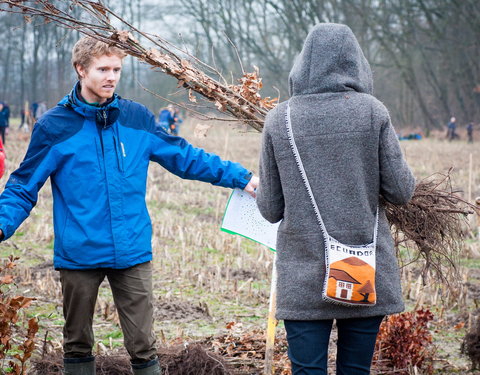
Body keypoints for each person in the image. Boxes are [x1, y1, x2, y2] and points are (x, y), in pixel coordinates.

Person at [0, 36, 258, 375]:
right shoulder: (54, 126)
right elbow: (22, 186)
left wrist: (241, 177)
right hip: (79, 253)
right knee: (77, 342)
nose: (111, 77)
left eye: (117, 69)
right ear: (80, 69)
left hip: (132, 251)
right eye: (102, 69)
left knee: (143, 344)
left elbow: (186, 157)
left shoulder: (136, 118)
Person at [256, 23, 415, 375]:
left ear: (302, 64)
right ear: (357, 64)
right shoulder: (373, 112)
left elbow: (269, 209)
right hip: (363, 272)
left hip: (303, 275)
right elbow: (401, 192)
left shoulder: (278, 119)